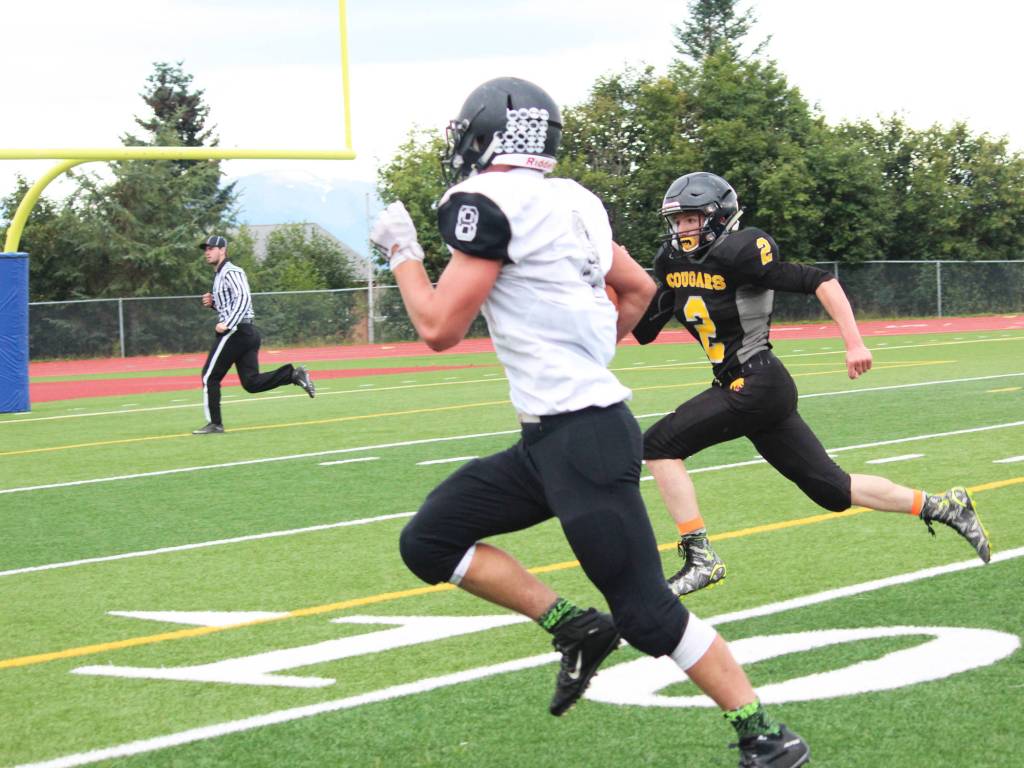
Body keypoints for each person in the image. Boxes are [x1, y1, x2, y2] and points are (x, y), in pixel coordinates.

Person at [370, 78, 809, 767]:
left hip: (583, 436)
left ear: (491, 133)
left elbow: (437, 326)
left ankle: (765, 733)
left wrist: (400, 251)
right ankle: (574, 628)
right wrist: (586, 346)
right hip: (551, 437)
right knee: (429, 540)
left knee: (646, 613)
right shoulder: (573, 199)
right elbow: (637, 290)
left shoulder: (488, 201)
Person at [632, 172, 992, 596]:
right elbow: (643, 328)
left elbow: (821, 280)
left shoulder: (741, 252)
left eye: (692, 219)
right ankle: (944, 506)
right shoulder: (671, 263)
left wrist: (854, 341)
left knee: (657, 446)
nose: (683, 230)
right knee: (832, 490)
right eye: (678, 221)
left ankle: (700, 556)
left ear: (719, 216)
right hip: (747, 386)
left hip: (756, 381)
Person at [192, 234, 316, 435]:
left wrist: (227, 324)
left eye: (211, 248)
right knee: (251, 383)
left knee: (209, 376)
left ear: (223, 250)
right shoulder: (220, 275)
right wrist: (214, 304)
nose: (207, 252)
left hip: (236, 331)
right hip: (246, 332)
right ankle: (292, 374)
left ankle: (215, 424)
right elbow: (232, 303)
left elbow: (242, 298)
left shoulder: (231, 271)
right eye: (205, 249)